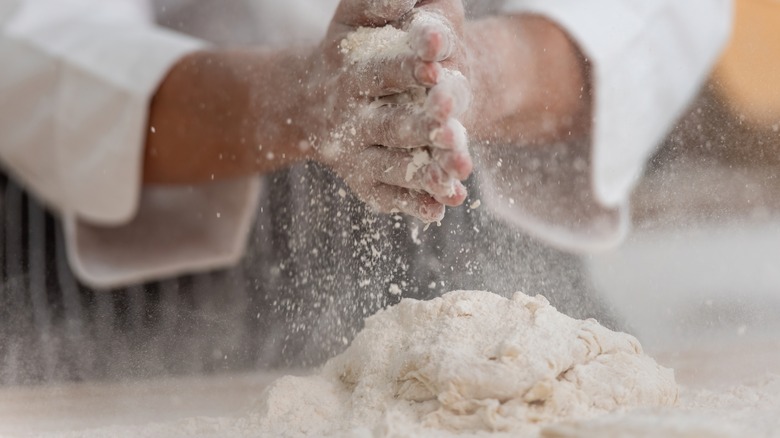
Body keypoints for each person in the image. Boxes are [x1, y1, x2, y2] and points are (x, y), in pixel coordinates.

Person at [0, 0, 731, 383]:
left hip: (494, 270)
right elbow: (26, 45)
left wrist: (484, 69)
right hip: (127, 331)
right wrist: (295, 100)